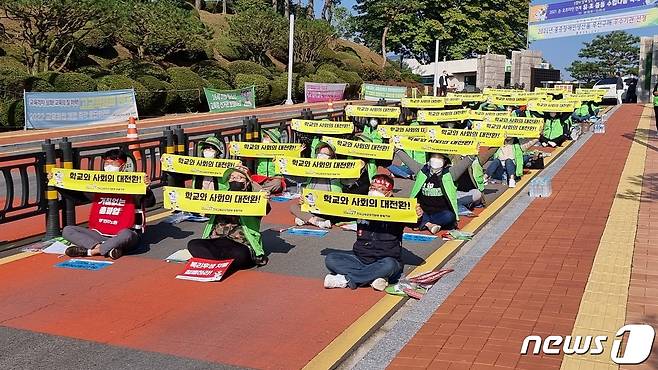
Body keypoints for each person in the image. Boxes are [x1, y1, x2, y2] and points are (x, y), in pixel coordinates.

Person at [323, 174, 423, 290]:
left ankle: (347, 280)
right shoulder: (360, 204)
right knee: (331, 259)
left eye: (379, 189)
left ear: (389, 193)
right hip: (360, 258)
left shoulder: (397, 208)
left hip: (385, 260)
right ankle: (373, 277)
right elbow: (333, 211)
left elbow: (415, 223)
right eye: (372, 187)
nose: (373, 191)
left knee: (389, 265)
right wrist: (310, 203)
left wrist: (418, 215)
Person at [61, 149, 155, 259]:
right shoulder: (99, 185)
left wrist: (147, 189)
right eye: (106, 162)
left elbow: (150, 202)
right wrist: (57, 183)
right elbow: (79, 197)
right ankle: (108, 249)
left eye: (113, 162)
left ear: (123, 166)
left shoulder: (133, 185)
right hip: (99, 235)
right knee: (68, 230)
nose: (109, 166)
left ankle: (91, 252)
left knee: (127, 235)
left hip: (123, 233)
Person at [187, 165, 270, 271]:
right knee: (193, 244)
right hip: (217, 239)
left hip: (240, 242)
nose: (234, 179)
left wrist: (263, 198)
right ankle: (221, 260)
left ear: (247, 182)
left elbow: (264, 209)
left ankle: (213, 259)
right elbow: (204, 210)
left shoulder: (253, 198)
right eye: (231, 177)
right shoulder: (220, 196)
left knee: (240, 254)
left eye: (239, 177)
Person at [290, 141, 343, 228]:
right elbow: (293, 176)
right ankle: (315, 221)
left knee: (337, 214)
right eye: (320, 153)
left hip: (328, 208)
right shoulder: (311, 172)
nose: (321, 156)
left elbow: (350, 180)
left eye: (325, 154)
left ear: (331, 158)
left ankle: (306, 219)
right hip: (312, 207)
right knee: (293, 207)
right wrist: (302, 199)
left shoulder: (338, 173)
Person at [410, 153, 460, 234]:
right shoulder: (422, 170)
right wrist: (397, 148)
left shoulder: (450, 173)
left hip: (441, 212)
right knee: (411, 211)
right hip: (423, 211)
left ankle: (424, 223)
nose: (436, 160)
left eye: (439, 157)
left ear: (445, 161)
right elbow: (407, 160)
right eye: (433, 157)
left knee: (450, 216)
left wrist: (472, 154)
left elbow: (467, 162)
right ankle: (429, 225)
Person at [252, 128, 286, 194]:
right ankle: (263, 190)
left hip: (274, 178)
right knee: (252, 182)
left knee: (277, 184)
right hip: (261, 178)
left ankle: (261, 190)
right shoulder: (259, 150)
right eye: (264, 137)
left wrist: (298, 151)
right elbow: (247, 154)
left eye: (267, 137)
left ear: (273, 141)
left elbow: (290, 159)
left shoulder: (281, 151)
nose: (264, 139)